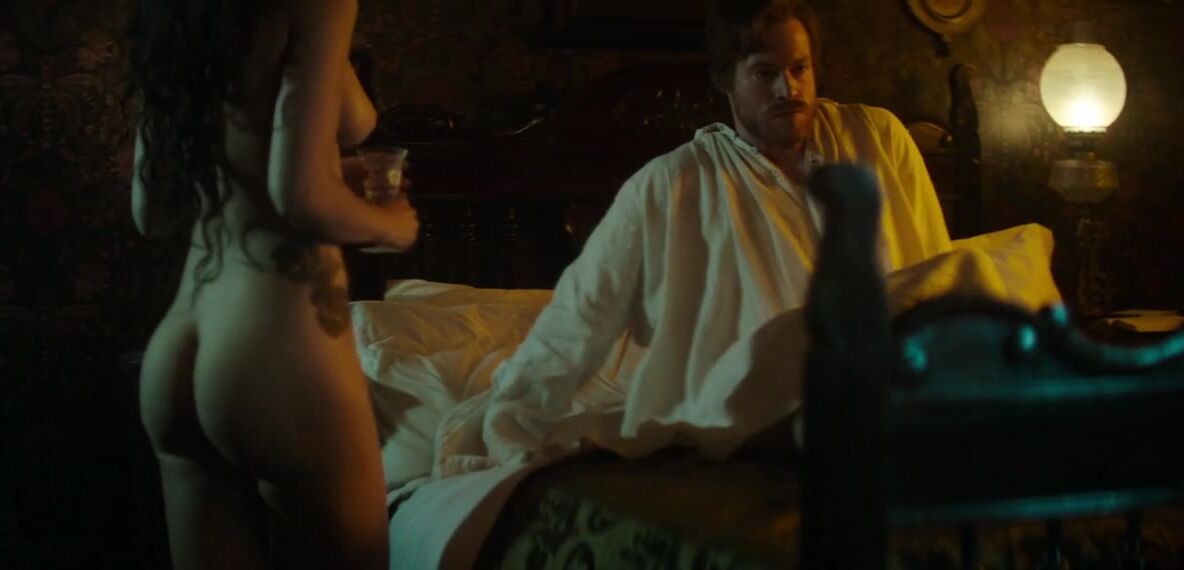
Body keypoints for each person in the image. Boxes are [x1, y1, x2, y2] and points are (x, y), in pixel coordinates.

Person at [477, 0, 953, 464]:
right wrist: (514, 423)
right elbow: (580, 317)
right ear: (726, 79)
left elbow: (935, 270)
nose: (788, 89)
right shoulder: (671, 185)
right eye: (765, 74)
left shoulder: (878, 138)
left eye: (800, 69)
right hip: (767, 406)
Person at [129, 0, 417, 567]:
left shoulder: (179, 13)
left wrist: (329, 174)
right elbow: (302, 196)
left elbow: (152, 212)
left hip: (179, 350)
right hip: (274, 347)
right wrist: (392, 226)